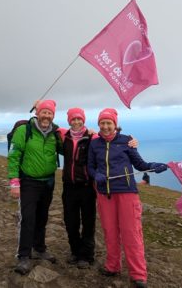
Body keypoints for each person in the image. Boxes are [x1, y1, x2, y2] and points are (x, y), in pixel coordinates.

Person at [87, 108, 168, 288]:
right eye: (102, 123)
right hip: (105, 194)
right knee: (110, 232)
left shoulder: (126, 141)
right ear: (98, 124)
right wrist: (96, 175)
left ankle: (138, 275)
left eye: (109, 123)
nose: (106, 126)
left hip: (126, 193)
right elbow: (90, 167)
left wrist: (154, 166)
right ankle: (112, 266)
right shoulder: (95, 143)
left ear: (115, 124)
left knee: (132, 234)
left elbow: (140, 164)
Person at [58, 107, 139, 269]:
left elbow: (108, 138)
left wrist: (132, 141)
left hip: (88, 186)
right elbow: (47, 123)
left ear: (84, 120)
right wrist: (39, 107)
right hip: (69, 186)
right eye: (73, 119)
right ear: (69, 122)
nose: (76, 122)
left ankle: (87, 256)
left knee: (88, 222)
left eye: (79, 119)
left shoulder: (92, 137)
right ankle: (75, 252)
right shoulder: (63, 135)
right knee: (70, 221)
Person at [8, 100, 62, 275]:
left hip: (48, 181)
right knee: (28, 218)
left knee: (42, 216)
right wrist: (14, 182)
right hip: (29, 181)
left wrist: (91, 134)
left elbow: (70, 146)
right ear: (37, 113)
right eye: (44, 112)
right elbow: (14, 156)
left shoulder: (56, 132)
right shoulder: (24, 131)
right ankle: (24, 255)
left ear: (53, 115)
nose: (47, 116)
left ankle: (39, 248)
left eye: (50, 113)